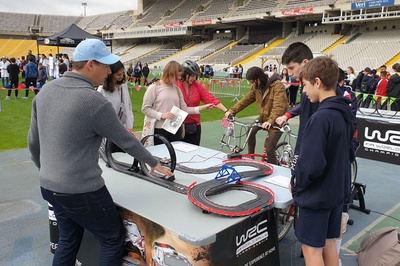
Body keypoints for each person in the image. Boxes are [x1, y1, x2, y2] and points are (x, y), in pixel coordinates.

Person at [28, 39, 173, 265]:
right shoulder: (94, 101)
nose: (109, 72)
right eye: (106, 66)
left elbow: (34, 143)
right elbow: (125, 139)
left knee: (68, 239)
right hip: (81, 190)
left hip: (48, 185)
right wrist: (154, 162)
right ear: (90, 64)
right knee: (112, 239)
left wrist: (47, 171)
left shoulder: (46, 91)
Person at [293, 56, 355, 266]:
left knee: (311, 251)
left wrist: (297, 185)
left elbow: (311, 166)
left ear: (317, 82)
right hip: (336, 194)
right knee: (329, 245)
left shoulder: (320, 118)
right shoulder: (344, 112)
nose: (304, 91)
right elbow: (349, 155)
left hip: (317, 197)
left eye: (305, 85)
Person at [225, 66, 288, 165]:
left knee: (270, 150)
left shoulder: (277, 85)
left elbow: (279, 106)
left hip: (277, 121)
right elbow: (246, 100)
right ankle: (251, 157)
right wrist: (232, 111)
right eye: (250, 83)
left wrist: (270, 121)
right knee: (250, 131)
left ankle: (275, 169)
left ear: (259, 78)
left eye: (253, 82)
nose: (252, 85)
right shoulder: (256, 87)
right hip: (263, 118)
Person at [141, 60, 214, 145]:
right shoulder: (154, 88)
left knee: (176, 155)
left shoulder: (177, 89)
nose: (180, 78)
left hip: (174, 129)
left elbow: (184, 109)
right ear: (171, 73)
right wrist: (161, 115)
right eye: (178, 75)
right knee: (160, 156)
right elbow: (145, 108)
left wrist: (202, 108)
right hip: (159, 130)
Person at [176, 60, 228, 145]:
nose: (194, 78)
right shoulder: (175, 85)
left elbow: (211, 99)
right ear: (184, 74)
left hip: (193, 126)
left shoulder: (198, 86)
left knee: (194, 152)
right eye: (192, 75)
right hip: (177, 125)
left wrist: (226, 111)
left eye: (195, 76)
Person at [98, 60, 134, 129]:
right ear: (110, 74)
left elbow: (128, 105)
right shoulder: (102, 90)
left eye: (122, 73)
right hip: (111, 129)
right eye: (118, 74)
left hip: (126, 127)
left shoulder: (123, 85)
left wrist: (130, 122)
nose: (121, 76)